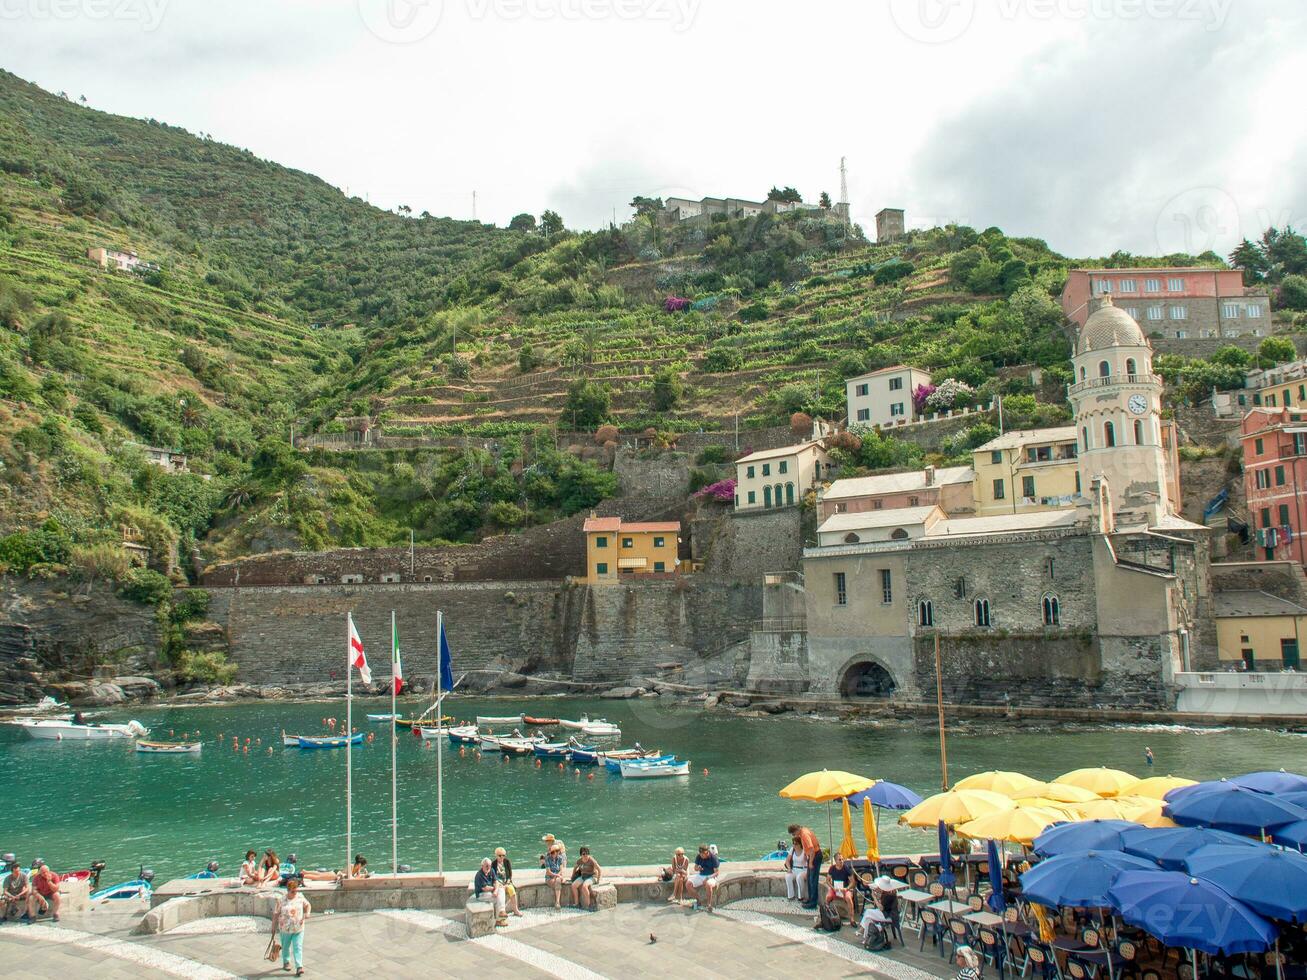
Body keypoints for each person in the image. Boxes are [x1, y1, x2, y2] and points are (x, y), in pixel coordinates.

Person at [272, 876, 311, 976]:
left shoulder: (300, 896)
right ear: (288, 891)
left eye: (296, 891)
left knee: (297, 947)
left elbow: (308, 905)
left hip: (299, 928)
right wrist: (273, 927)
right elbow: (276, 913)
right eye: (293, 891)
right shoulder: (281, 900)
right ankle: (286, 962)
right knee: (285, 947)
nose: (295, 893)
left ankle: (299, 966)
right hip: (285, 929)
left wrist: (307, 913)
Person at [789, 823, 822, 910]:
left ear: (796, 831)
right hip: (812, 856)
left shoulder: (804, 835)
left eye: (793, 834)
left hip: (814, 857)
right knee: (809, 879)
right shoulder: (804, 831)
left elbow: (811, 850)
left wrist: (810, 862)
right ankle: (810, 899)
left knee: (813, 880)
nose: (794, 836)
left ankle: (813, 903)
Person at [683, 844, 719, 913]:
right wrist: (698, 868)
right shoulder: (699, 856)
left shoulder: (713, 858)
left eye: (703, 854)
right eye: (701, 854)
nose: (702, 855)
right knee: (688, 884)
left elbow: (717, 873)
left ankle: (709, 904)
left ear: (707, 852)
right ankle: (698, 900)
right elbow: (695, 868)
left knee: (708, 884)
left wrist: (708, 877)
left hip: (711, 876)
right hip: (701, 875)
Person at [826, 852, 856, 925]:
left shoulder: (846, 868)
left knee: (848, 898)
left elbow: (853, 882)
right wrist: (832, 887)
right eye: (839, 860)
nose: (841, 861)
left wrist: (847, 888)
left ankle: (852, 919)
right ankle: (827, 914)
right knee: (828, 897)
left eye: (842, 859)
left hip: (845, 888)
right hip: (835, 888)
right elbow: (827, 880)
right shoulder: (832, 868)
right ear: (835, 861)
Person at [473, 858, 505, 924]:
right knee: (498, 899)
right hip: (481, 895)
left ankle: (502, 911)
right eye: (486, 866)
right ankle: (498, 920)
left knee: (501, 890)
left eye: (489, 865)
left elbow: (496, 881)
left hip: (490, 891)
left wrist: (496, 890)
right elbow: (485, 888)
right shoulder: (479, 875)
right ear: (482, 866)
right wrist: (495, 888)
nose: (488, 867)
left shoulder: (491, 870)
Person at [570, 846, 601, 911]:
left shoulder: (592, 860)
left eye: (587, 853)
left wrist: (597, 880)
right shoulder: (579, 861)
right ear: (581, 855)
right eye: (584, 854)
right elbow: (575, 868)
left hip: (592, 877)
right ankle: (577, 903)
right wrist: (572, 876)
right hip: (583, 876)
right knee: (573, 886)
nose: (586, 855)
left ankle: (588, 905)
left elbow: (599, 869)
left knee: (584, 886)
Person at [493, 848, 522, 917]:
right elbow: (494, 877)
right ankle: (502, 911)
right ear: (496, 855)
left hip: (506, 882)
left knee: (512, 890)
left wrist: (507, 883)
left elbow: (509, 875)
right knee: (500, 890)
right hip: (498, 883)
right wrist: (499, 884)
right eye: (500, 855)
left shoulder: (507, 862)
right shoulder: (493, 864)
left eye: (503, 855)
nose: (502, 857)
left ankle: (515, 910)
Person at [783, 836, 808, 903]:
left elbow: (808, 862)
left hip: (803, 870)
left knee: (799, 877)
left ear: (800, 844)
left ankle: (801, 897)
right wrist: (789, 868)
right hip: (794, 869)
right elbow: (787, 861)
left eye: (796, 844)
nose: (794, 845)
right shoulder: (792, 850)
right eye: (793, 843)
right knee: (788, 876)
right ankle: (791, 896)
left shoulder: (805, 850)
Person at [542, 842, 566, 909]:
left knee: (557, 881)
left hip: (557, 877)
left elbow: (561, 870)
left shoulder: (560, 858)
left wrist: (557, 876)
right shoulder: (547, 858)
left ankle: (557, 902)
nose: (552, 854)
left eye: (553, 852)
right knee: (558, 882)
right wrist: (557, 875)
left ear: (557, 852)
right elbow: (548, 872)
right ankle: (557, 903)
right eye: (551, 852)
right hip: (549, 878)